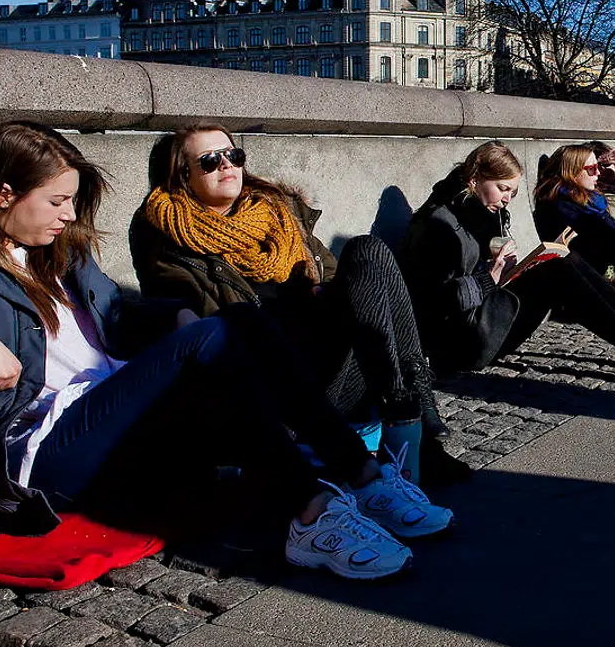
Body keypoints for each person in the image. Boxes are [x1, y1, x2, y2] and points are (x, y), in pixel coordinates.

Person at [0, 121, 440, 580]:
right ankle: (312, 511)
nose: (67, 216)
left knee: (234, 322)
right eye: (57, 201)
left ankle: (361, 477)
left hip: (114, 412)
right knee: (217, 336)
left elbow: (112, 322)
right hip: (39, 453)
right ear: (5, 194)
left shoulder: (58, 252)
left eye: (72, 202)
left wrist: (167, 317)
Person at [129, 123, 466, 487]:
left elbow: (339, 277)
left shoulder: (277, 212)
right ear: (183, 176)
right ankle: (410, 445)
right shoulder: (168, 240)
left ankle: (411, 417)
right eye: (210, 161)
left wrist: (322, 293)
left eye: (233, 156)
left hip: (335, 364)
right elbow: (204, 329)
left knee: (366, 250)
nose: (227, 166)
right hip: (285, 392)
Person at [398, 142, 615, 384]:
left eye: (512, 193)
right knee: (558, 270)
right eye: (503, 189)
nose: (506, 200)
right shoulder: (438, 227)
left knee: (565, 258)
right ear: (474, 179)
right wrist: (490, 277)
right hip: (458, 343)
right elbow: (435, 305)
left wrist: (510, 269)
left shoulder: (486, 214)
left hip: (485, 319)